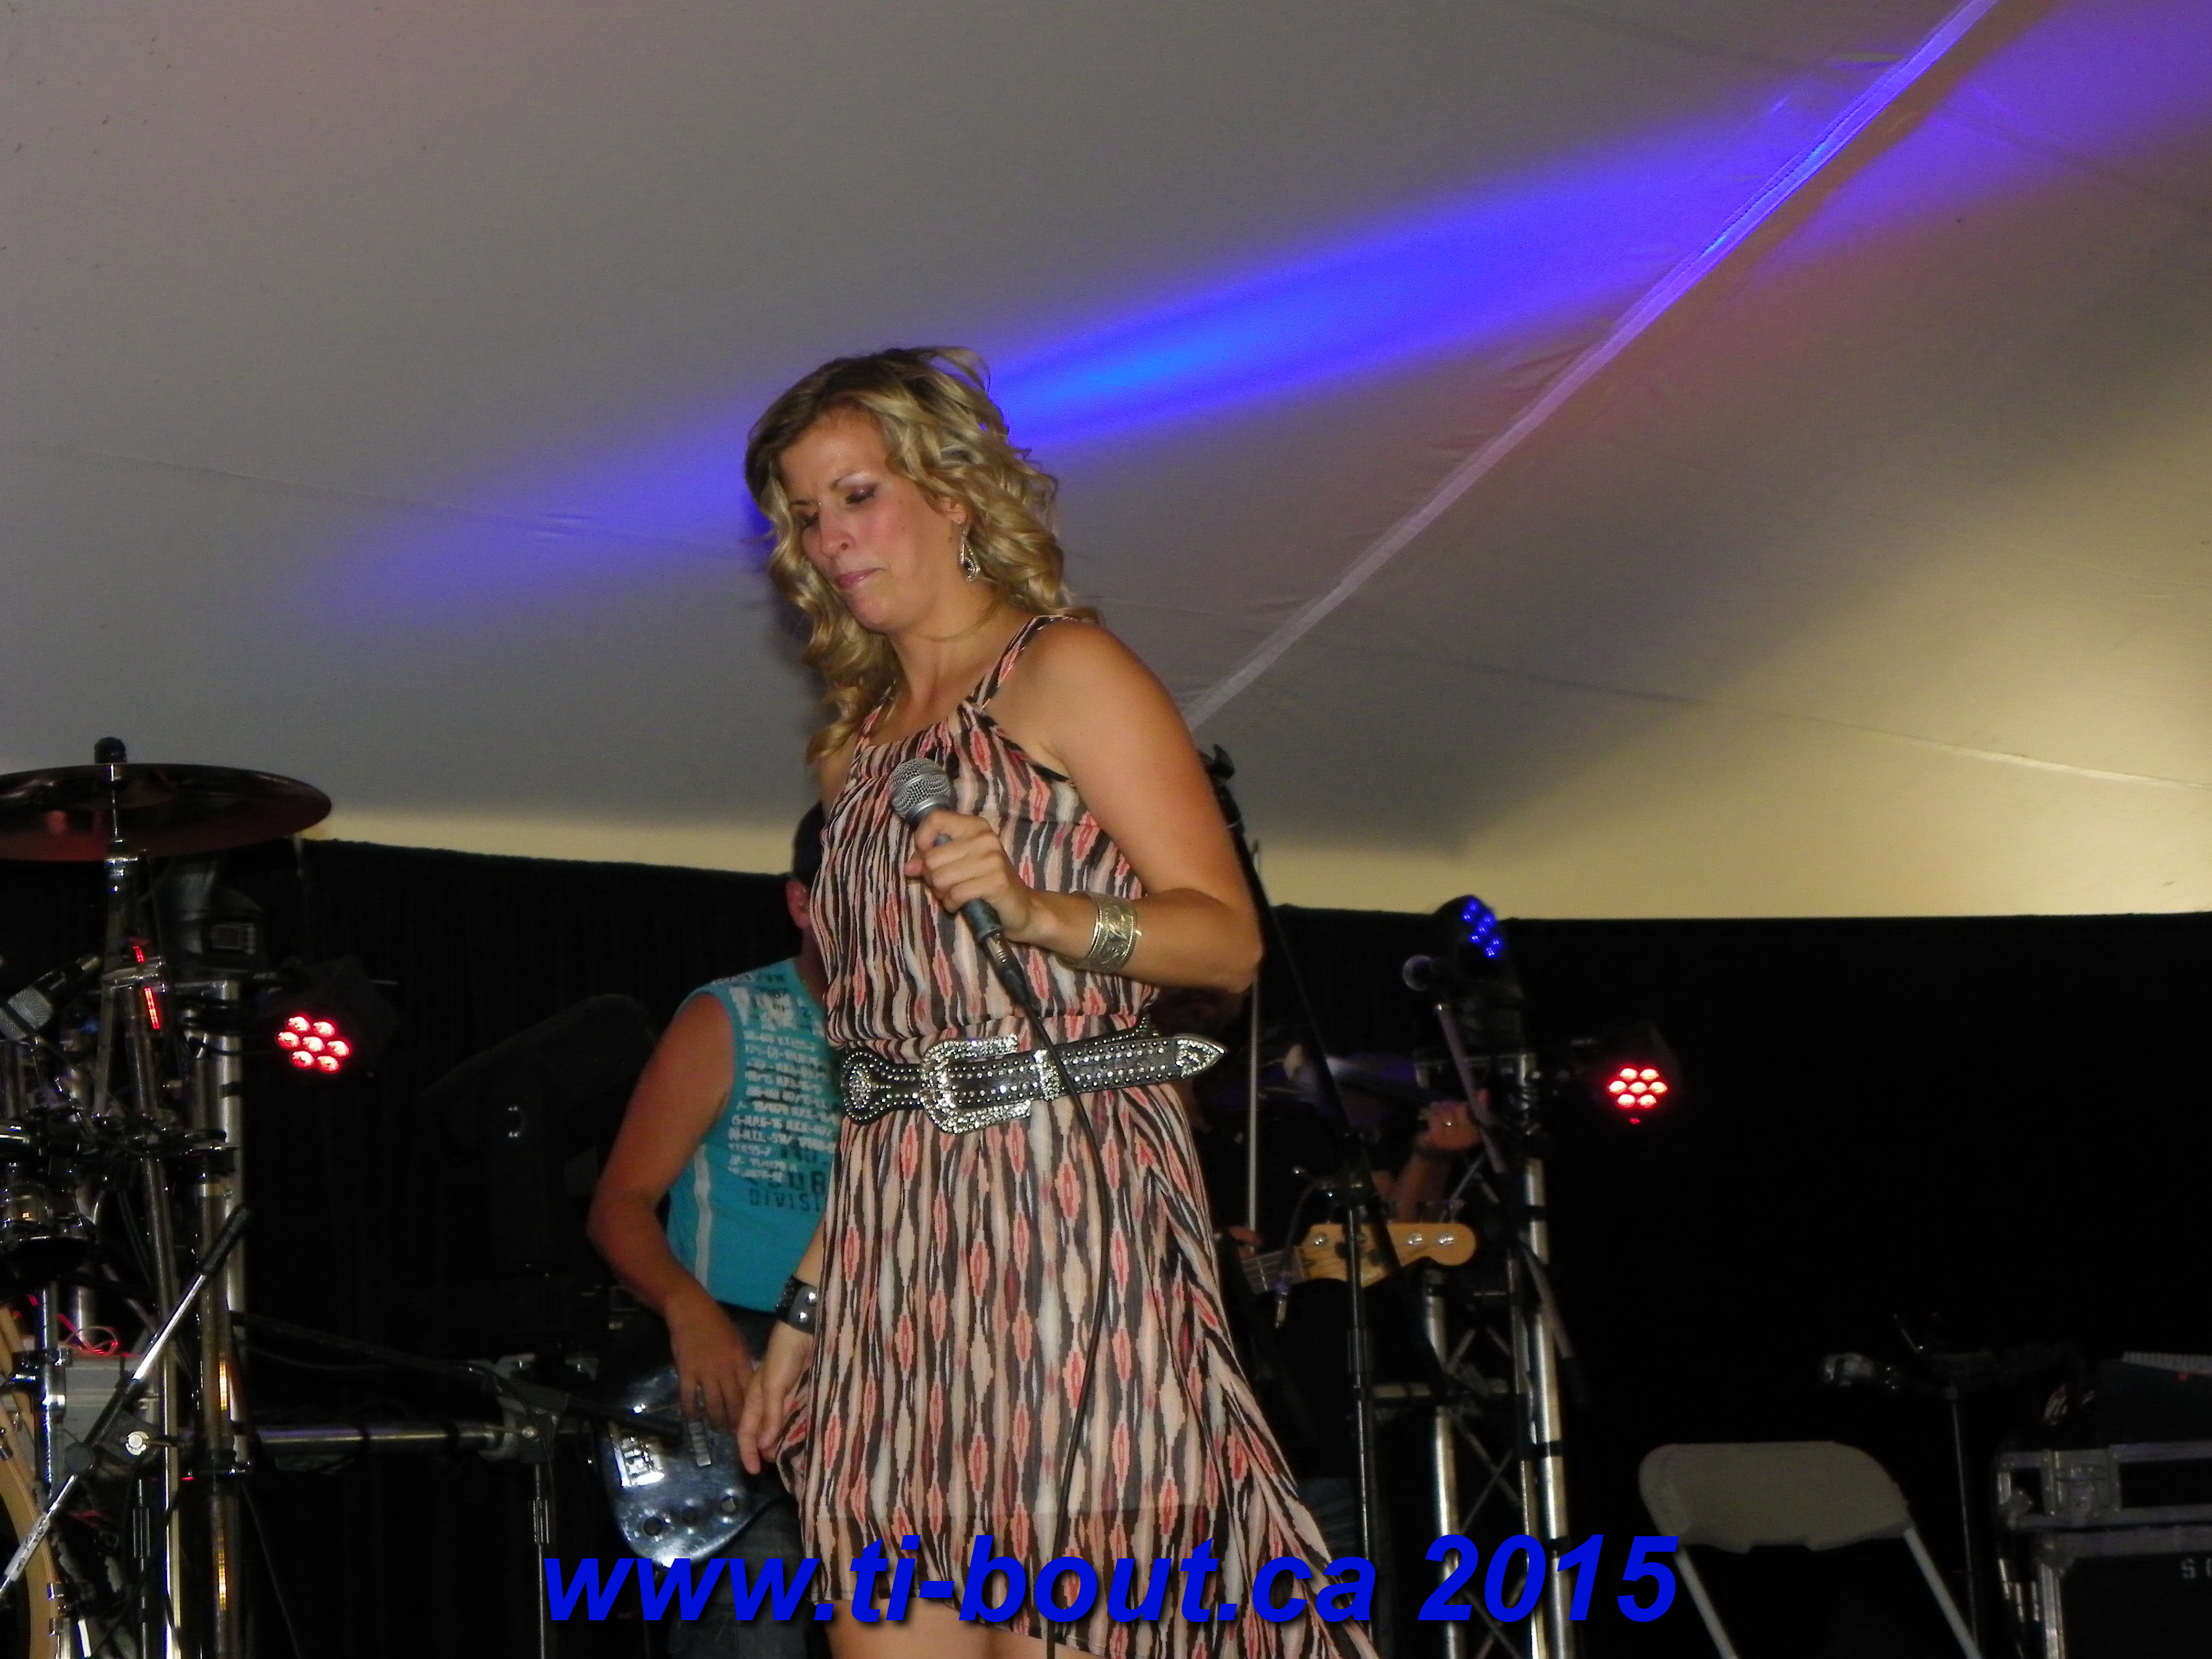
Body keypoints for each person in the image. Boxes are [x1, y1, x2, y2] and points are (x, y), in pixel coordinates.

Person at [734, 347, 1376, 1659]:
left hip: (1067, 1208)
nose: (830, 538)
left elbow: (1224, 942)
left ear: (951, 493)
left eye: (856, 495)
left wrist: (1041, 913)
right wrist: (808, 1309)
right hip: (896, 1245)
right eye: (804, 514)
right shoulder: (856, 748)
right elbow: (882, 1074)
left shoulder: (1064, 670)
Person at [588, 807, 841, 1658]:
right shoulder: (729, 1015)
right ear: (802, 903)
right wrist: (688, 1312)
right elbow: (619, 1203)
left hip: (882, 1395)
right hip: (736, 1392)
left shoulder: (925, 1041)